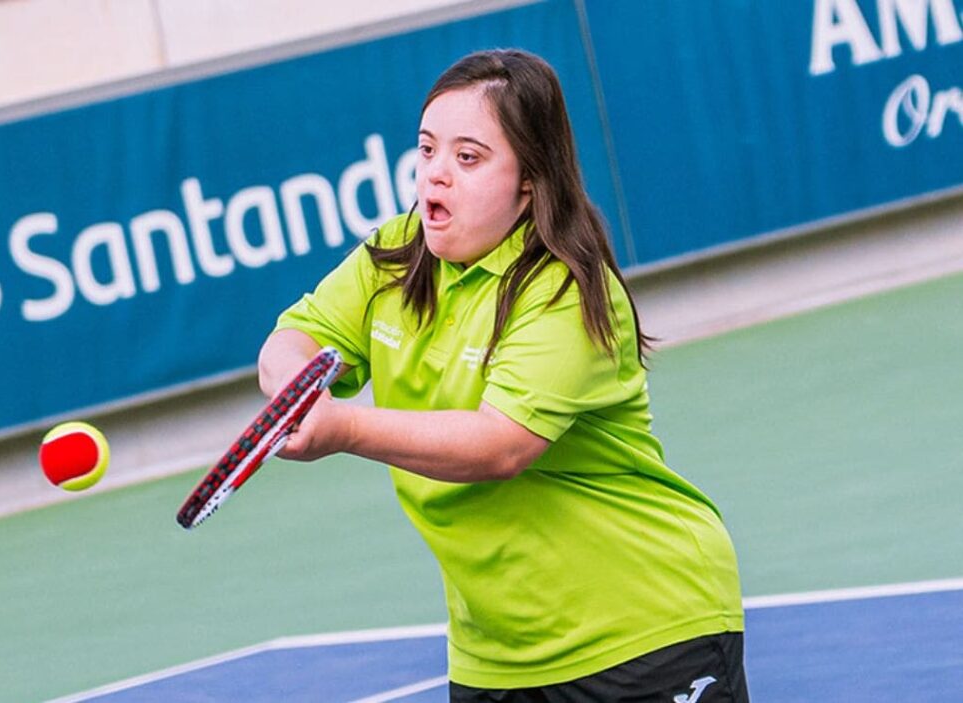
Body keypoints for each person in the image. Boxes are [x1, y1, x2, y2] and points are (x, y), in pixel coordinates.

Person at [257, 48, 748, 701]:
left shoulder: (565, 292)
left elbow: (501, 444)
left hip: (645, 629)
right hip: (498, 655)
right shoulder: (396, 256)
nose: (436, 175)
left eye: (468, 158)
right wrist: (296, 383)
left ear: (529, 181)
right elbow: (296, 337)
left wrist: (343, 424)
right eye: (427, 149)